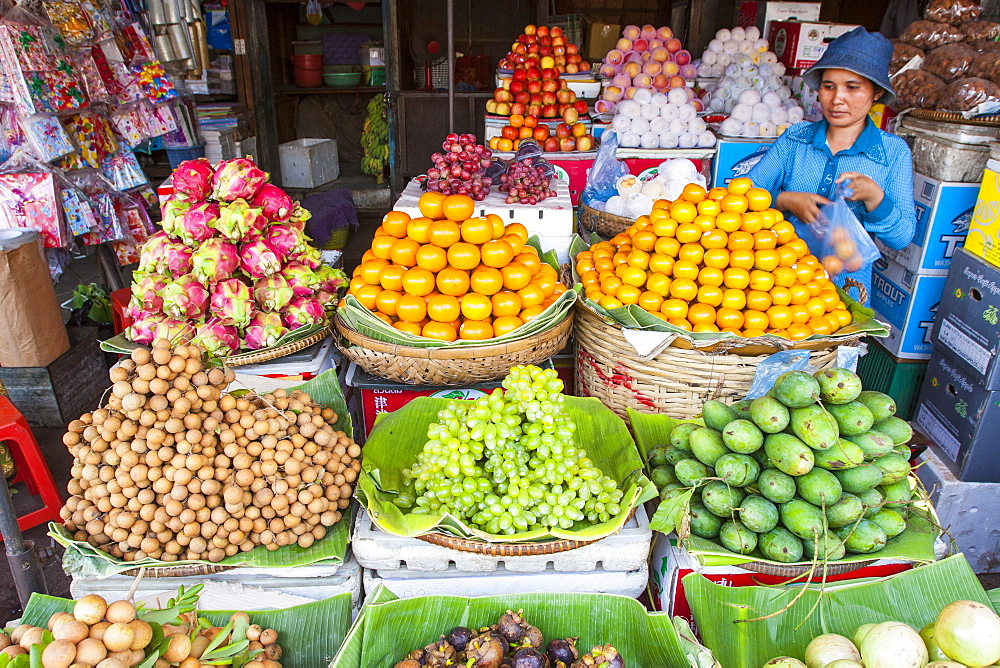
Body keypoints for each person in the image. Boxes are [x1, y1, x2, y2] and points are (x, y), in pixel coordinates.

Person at [747, 27, 916, 303]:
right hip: (776, 281)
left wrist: (875, 197)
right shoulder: (795, 139)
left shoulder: (893, 153)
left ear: (875, 93)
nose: (837, 99)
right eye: (828, 86)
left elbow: (902, 237)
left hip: (847, 290)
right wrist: (784, 200)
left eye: (852, 87)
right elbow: (741, 197)